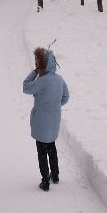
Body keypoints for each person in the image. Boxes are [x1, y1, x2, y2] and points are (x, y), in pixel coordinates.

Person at [22, 46, 69, 191]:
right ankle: (55, 175)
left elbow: (26, 87)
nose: (36, 64)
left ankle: (45, 181)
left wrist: (35, 72)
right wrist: (55, 105)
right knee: (52, 147)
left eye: (37, 62)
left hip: (41, 120)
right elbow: (66, 97)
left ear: (41, 63)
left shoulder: (42, 81)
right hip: (54, 119)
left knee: (41, 150)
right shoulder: (59, 80)